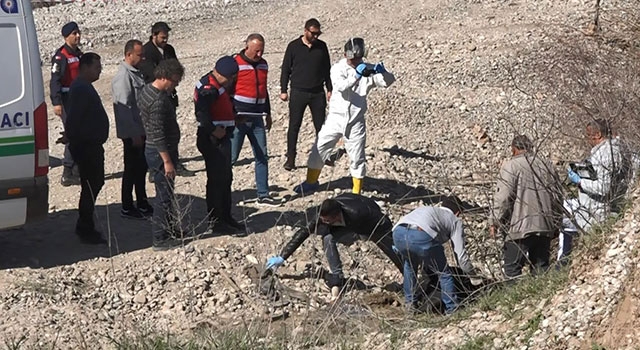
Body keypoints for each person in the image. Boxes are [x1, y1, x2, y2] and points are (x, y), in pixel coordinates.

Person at [294, 37, 395, 195]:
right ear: (346, 55)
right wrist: (357, 75)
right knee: (319, 149)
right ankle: (311, 182)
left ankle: (356, 192)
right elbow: (341, 87)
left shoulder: (367, 68)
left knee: (357, 156)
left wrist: (382, 72)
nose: (356, 61)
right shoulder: (337, 69)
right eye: (353, 58)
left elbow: (388, 82)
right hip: (336, 118)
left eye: (358, 58)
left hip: (355, 120)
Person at [265, 193, 403, 291]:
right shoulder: (322, 214)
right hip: (348, 224)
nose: (323, 223)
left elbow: (382, 220)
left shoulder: (357, 213)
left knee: (390, 249)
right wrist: (283, 256)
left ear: (336, 216)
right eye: (323, 220)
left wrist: (390, 237)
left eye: (327, 221)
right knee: (328, 238)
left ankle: (411, 278)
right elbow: (304, 232)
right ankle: (337, 276)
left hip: (371, 223)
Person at [489, 135, 563, 278]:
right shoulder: (546, 165)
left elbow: (503, 197)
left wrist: (494, 221)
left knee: (512, 269)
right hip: (544, 226)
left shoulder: (511, 166)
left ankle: (515, 300)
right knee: (541, 269)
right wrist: (556, 223)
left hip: (519, 228)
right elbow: (557, 197)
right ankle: (542, 298)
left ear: (514, 149)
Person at [392, 198, 478, 314]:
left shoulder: (427, 210)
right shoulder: (455, 220)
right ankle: (452, 309)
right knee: (443, 273)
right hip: (421, 234)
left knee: (410, 267)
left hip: (398, 233)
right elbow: (461, 258)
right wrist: (474, 276)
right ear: (458, 212)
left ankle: (410, 304)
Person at [559, 119, 628, 263]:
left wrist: (580, 181)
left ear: (597, 134)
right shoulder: (611, 151)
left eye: (589, 135)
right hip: (595, 208)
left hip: (598, 210)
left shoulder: (606, 154)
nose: (587, 139)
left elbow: (603, 187)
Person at [139, 58, 185, 251]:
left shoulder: (146, 90)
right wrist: (167, 161)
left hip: (154, 150)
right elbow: (158, 134)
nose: (175, 85)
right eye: (174, 81)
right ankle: (160, 238)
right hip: (160, 153)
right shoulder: (158, 100)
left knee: (164, 193)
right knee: (163, 196)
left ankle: (169, 231)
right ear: (165, 77)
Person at [231, 33, 282, 206]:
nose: (259, 54)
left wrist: (268, 112)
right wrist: (231, 114)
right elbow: (227, 90)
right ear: (247, 47)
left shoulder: (263, 65)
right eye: (256, 51)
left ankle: (263, 194)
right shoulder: (235, 63)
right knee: (231, 157)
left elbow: (263, 89)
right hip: (239, 119)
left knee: (262, 156)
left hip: (257, 118)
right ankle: (223, 192)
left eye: (262, 50)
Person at [194, 56, 244, 233]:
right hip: (213, 139)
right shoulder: (209, 88)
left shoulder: (217, 84)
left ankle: (226, 216)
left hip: (222, 137)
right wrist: (214, 130)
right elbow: (201, 113)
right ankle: (217, 221)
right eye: (230, 78)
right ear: (221, 73)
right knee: (217, 181)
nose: (231, 82)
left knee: (225, 178)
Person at [139, 21, 194, 178]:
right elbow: (151, 72)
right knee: (157, 131)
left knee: (170, 129)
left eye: (166, 37)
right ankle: (157, 166)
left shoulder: (169, 49)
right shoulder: (147, 51)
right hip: (156, 93)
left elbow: (175, 67)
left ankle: (174, 161)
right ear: (154, 35)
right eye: (162, 37)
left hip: (169, 94)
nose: (165, 40)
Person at [64, 53, 108, 245]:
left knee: (93, 184)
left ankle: (85, 224)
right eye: (97, 67)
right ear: (86, 67)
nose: (100, 70)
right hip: (87, 146)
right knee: (91, 185)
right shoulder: (81, 88)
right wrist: (72, 138)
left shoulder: (83, 86)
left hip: (90, 144)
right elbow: (74, 118)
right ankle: (85, 227)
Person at [280, 18, 332, 171]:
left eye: (318, 33)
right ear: (305, 31)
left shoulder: (322, 47)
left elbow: (327, 69)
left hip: (317, 93)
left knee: (321, 127)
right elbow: (285, 70)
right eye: (313, 33)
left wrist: (330, 88)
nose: (316, 36)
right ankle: (291, 158)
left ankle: (323, 155)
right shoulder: (293, 46)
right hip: (298, 92)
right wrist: (283, 90)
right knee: (294, 126)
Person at [112, 39, 153, 220]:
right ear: (129, 55)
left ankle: (142, 201)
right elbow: (124, 108)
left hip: (141, 130)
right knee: (131, 169)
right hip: (133, 133)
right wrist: (133, 133)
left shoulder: (137, 73)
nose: (143, 57)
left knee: (141, 168)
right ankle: (127, 206)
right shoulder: (124, 77)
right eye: (139, 54)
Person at [50, 21, 82, 186]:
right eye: (74, 34)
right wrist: (56, 102)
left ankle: (77, 169)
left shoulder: (78, 54)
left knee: (80, 134)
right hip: (66, 99)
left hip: (79, 98)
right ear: (66, 36)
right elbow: (55, 81)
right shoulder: (60, 56)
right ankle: (67, 171)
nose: (77, 36)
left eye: (78, 33)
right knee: (71, 135)